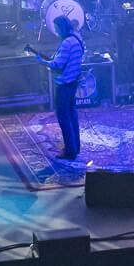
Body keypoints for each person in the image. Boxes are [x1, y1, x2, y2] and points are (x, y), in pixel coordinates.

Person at [42, 13, 86, 166]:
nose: (56, 31)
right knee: (72, 115)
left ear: (62, 27)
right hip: (73, 82)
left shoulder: (67, 43)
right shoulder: (77, 39)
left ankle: (70, 151)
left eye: (56, 28)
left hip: (64, 85)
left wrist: (42, 61)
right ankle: (75, 146)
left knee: (63, 117)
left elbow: (58, 64)